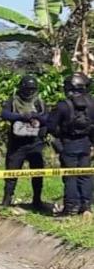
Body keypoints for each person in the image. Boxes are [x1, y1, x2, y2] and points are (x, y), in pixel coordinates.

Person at [48, 73, 94, 217]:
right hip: (86, 143)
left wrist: (58, 135)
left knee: (70, 176)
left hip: (68, 143)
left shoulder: (63, 106)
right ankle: (86, 206)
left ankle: (71, 207)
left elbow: (50, 126)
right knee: (85, 175)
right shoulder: (92, 104)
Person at [0, 75, 47, 209]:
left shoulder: (39, 102)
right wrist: (20, 116)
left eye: (32, 90)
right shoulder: (13, 101)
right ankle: (7, 199)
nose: (29, 92)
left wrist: (35, 116)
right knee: (11, 173)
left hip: (35, 142)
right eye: (27, 89)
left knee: (37, 173)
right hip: (17, 144)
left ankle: (37, 200)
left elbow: (46, 118)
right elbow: (4, 114)